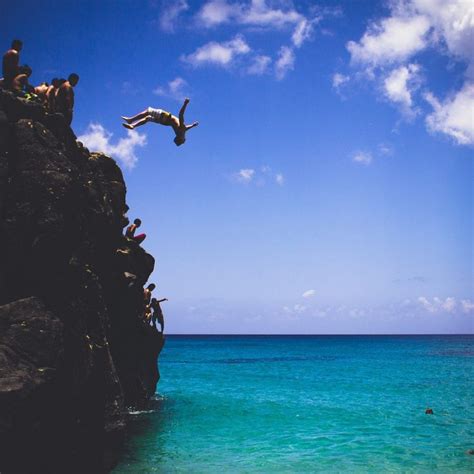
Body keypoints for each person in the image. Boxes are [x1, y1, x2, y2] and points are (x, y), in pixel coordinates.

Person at [121, 98, 199, 146]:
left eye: (183, 142)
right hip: (164, 122)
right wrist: (193, 125)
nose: (185, 141)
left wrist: (185, 104)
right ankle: (133, 126)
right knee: (148, 118)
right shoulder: (181, 132)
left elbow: (181, 115)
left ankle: (131, 120)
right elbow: (186, 128)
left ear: (181, 139)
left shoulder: (182, 129)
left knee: (148, 111)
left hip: (166, 117)